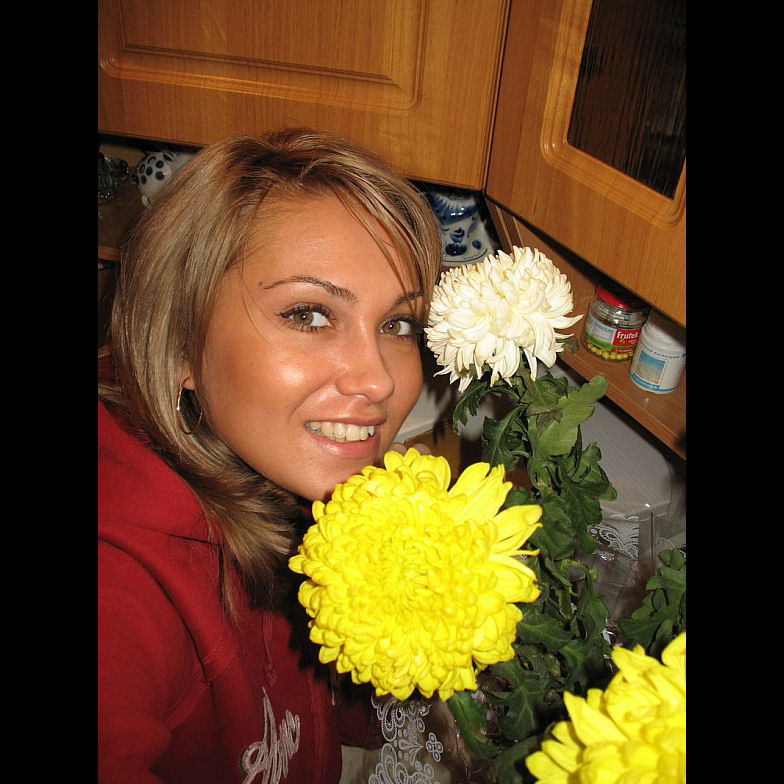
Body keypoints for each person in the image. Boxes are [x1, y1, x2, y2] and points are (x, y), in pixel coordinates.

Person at [98, 128, 442, 784]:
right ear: (179, 343)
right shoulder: (121, 582)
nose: (379, 381)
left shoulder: (278, 472)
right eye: (309, 315)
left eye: (396, 324)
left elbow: (344, 716)